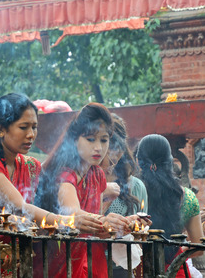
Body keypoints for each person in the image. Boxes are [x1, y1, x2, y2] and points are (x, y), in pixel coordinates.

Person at [0, 93, 102, 277]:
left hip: (17, 263)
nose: (31, 135)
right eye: (23, 127)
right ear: (1, 129)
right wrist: (68, 221)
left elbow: (40, 209)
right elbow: (20, 207)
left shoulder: (31, 166)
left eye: (34, 127)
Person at [36, 103, 132, 278]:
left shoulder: (97, 175)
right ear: (74, 140)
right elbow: (75, 214)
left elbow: (94, 229)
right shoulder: (65, 175)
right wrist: (105, 221)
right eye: (90, 139)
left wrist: (125, 224)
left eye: (104, 140)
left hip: (82, 260)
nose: (98, 148)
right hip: (56, 263)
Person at [137, 134, 204, 277]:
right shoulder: (187, 197)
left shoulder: (131, 193)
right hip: (175, 271)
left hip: (138, 269)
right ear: (170, 161)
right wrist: (174, 256)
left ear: (138, 161)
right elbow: (199, 247)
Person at [100, 114, 149, 277]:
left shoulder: (136, 186)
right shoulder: (81, 181)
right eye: (109, 147)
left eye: (118, 149)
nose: (113, 157)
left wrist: (134, 226)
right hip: (89, 261)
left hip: (123, 266)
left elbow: (141, 238)